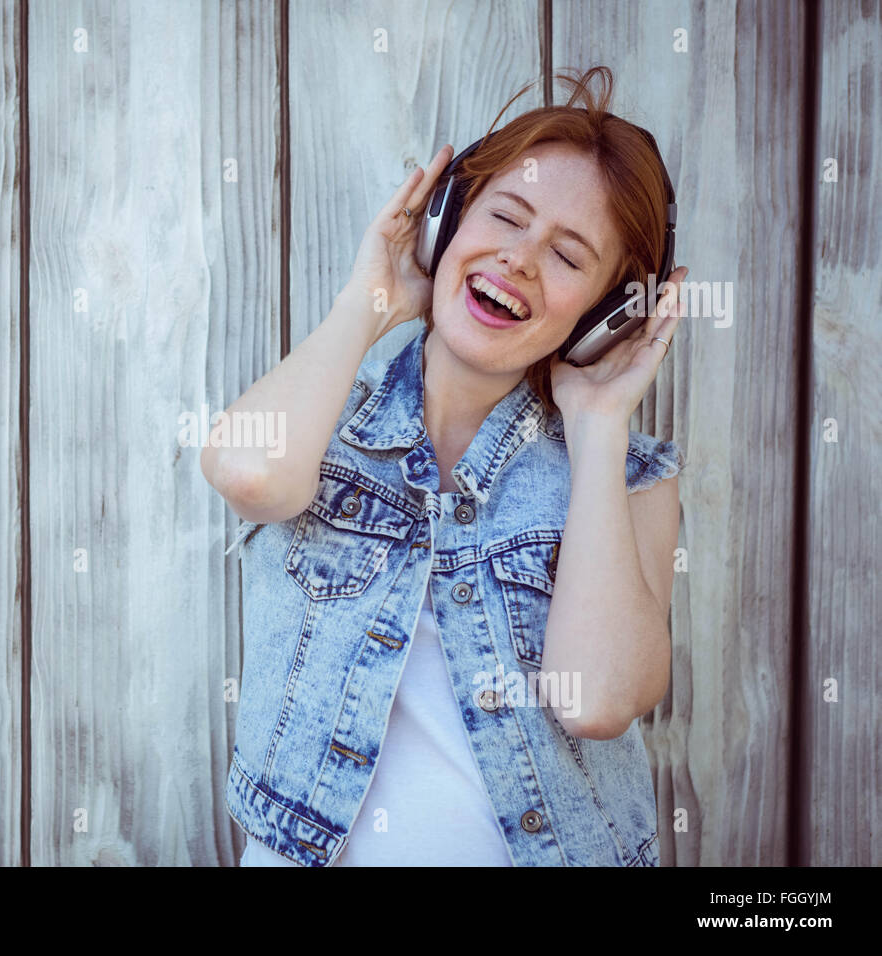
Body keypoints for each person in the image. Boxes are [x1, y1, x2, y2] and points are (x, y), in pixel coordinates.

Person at [202, 67, 687, 867]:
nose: (520, 259)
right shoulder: (323, 414)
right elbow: (249, 475)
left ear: (606, 314)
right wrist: (370, 302)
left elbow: (598, 700)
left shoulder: (628, 477)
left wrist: (598, 426)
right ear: (444, 223)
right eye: (504, 216)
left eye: (569, 256)